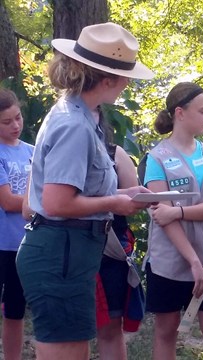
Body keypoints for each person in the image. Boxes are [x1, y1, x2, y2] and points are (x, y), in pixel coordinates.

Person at [15, 22, 153, 360]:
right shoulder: (74, 124)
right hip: (60, 250)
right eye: (126, 77)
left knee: (74, 349)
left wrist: (127, 191)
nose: (127, 84)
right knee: (66, 351)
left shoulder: (84, 115)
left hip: (69, 252)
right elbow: (56, 201)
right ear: (108, 80)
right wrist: (116, 201)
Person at [144, 82, 203, 360]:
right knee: (166, 331)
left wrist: (179, 211)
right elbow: (163, 216)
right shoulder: (156, 158)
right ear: (180, 113)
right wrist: (192, 261)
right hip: (169, 261)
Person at [95, 140, 145, 360]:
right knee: (71, 331)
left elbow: (132, 203)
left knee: (111, 328)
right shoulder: (58, 144)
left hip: (111, 250)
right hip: (69, 249)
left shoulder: (115, 152)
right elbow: (37, 206)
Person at [0, 88, 33, 360]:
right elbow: (9, 202)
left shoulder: (32, 151)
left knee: (15, 309)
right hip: (2, 243)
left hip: (24, 245)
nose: (16, 125)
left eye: (18, 118)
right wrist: (39, 204)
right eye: (6, 121)